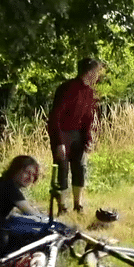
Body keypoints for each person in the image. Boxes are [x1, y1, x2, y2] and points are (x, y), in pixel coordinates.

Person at [47, 57, 104, 215]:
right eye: (97, 72)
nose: (98, 76)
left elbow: (88, 118)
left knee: (80, 168)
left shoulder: (90, 92)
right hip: (62, 133)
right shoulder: (67, 88)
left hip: (78, 135)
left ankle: (78, 206)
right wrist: (58, 142)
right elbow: (55, 117)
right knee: (63, 169)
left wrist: (87, 139)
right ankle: (62, 208)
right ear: (90, 71)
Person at [0, 155, 44, 262]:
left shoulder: (4, 182)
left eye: (33, 175)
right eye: (27, 172)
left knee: (20, 222)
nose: (30, 178)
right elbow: (30, 213)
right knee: (34, 231)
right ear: (16, 170)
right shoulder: (9, 187)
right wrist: (50, 221)